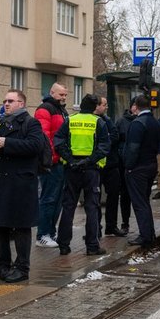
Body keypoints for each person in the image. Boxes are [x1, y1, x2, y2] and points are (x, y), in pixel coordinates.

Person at [0, 89, 45, 282]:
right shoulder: (2, 123)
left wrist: (8, 143)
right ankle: (3, 264)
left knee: (21, 226)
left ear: (21, 103)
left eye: (10, 100)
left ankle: (22, 267)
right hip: (2, 181)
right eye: (4, 100)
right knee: (0, 225)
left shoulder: (31, 123)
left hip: (21, 183)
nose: (6, 104)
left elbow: (36, 146)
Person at [53, 93, 110, 255]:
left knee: (68, 206)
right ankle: (92, 246)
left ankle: (64, 245)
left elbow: (58, 142)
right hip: (91, 170)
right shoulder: (98, 122)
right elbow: (104, 147)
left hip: (72, 169)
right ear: (94, 108)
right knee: (92, 207)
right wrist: (89, 161)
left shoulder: (70, 120)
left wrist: (71, 160)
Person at [122, 94, 160, 247]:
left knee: (139, 202)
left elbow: (133, 148)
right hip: (151, 165)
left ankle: (145, 236)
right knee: (145, 201)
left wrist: (128, 166)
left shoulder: (138, 123)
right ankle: (150, 233)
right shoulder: (154, 122)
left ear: (136, 106)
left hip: (138, 168)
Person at [34, 82, 68, 247]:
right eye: (61, 94)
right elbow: (44, 136)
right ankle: (42, 234)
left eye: (65, 95)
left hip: (59, 161)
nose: (63, 97)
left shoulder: (60, 110)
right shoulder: (45, 109)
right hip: (51, 163)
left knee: (57, 200)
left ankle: (50, 233)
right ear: (52, 92)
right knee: (49, 199)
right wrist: (51, 157)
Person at [96, 96, 125, 237]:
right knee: (94, 198)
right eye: (104, 104)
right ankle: (95, 228)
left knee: (113, 196)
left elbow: (115, 136)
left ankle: (111, 226)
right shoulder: (92, 120)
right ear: (97, 106)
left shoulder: (108, 120)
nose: (106, 107)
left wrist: (104, 140)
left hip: (111, 164)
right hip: (96, 165)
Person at [114, 102, 137, 233]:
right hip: (123, 162)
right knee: (125, 195)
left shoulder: (141, 121)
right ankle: (125, 222)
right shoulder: (121, 121)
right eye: (134, 105)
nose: (135, 108)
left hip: (137, 164)